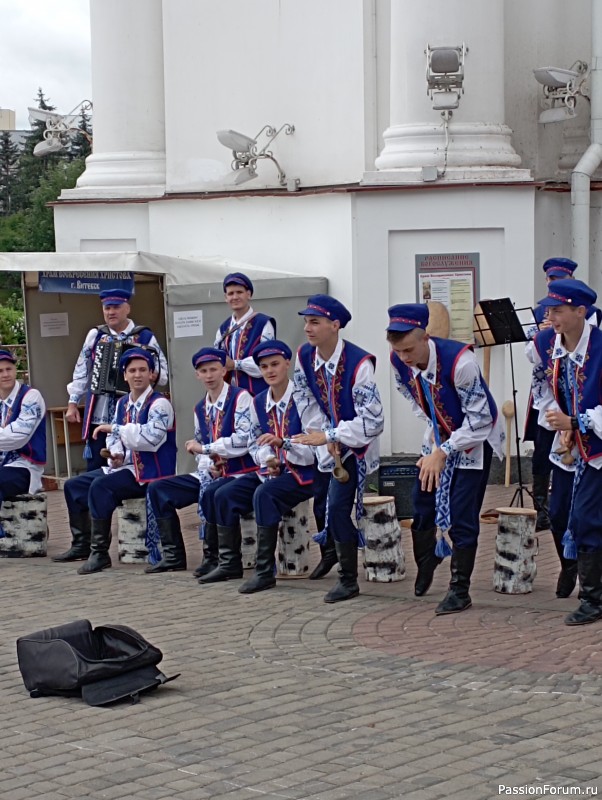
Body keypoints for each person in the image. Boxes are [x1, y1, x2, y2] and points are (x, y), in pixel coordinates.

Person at [387, 303, 503, 615]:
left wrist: (445, 450)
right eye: (399, 352)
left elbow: (481, 421)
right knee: (421, 501)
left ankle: (459, 590)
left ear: (426, 338)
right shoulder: (398, 362)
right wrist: (436, 436)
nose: (405, 358)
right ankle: (428, 560)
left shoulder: (461, 363)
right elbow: (414, 399)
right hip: (439, 436)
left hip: (474, 440)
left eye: (410, 349)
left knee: (462, 514)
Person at [292, 294, 384, 604]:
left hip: (355, 445)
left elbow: (373, 422)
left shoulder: (360, 364)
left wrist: (333, 435)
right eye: (306, 321)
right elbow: (304, 400)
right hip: (324, 442)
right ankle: (332, 555)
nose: (308, 328)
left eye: (314, 322)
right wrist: (320, 434)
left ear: (335, 325)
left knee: (338, 508)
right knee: (323, 503)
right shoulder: (304, 356)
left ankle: (349, 579)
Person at [208, 340, 315, 594]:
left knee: (264, 494)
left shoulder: (303, 399)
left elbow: (313, 446)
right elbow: (255, 442)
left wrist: (285, 445)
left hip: (304, 472)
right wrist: (268, 459)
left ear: (287, 364)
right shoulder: (258, 402)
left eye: (275, 364)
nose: (270, 371)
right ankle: (229, 562)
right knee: (224, 494)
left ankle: (265, 571)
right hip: (272, 471)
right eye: (264, 366)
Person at [58, 348, 176, 574]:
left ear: (152, 374)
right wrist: (116, 453)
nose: (137, 375)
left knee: (101, 487)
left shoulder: (159, 404)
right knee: (74, 485)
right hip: (126, 467)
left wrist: (117, 429)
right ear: (124, 375)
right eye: (132, 370)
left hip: (151, 472)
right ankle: (82, 544)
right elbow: (113, 437)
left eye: (143, 370)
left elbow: (151, 439)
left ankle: (99, 553)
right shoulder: (123, 403)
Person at [526, 279, 602, 625]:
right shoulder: (547, 345)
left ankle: (592, 598)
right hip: (569, 446)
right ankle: (573, 572)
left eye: (557, 310)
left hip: (598, 449)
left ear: (581, 312)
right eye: (549, 309)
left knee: (586, 517)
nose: (549, 315)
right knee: (558, 513)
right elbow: (542, 389)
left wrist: (577, 421)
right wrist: (556, 420)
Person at [144, 347, 256, 577]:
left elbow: (245, 439)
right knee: (158, 489)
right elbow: (200, 443)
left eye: (213, 369)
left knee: (214, 492)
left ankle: (215, 557)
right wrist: (207, 462)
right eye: (203, 371)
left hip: (241, 472)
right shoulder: (200, 407)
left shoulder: (241, 397)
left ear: (224, 370)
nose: (209, 375)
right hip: (212, 474)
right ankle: (173, 556)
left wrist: (206, 449)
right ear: (197, 375)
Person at [65, 288, 168, 473]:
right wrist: (73, 402)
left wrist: (151, 374)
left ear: (127, 308)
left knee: (129, 461)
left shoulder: (144, 336)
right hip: (100, 409)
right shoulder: (96, 335)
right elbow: (81, 369)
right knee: (97, 461)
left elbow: (163, 373)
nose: (111, 312)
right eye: (107, 308)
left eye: (116, 307)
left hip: (132, 411)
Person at [0, 349, 46, 518]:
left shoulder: (31, 396)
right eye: (0, 371)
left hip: (24, 466)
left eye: (9, 369)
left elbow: (18, 437)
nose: (5, 374)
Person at [214, 272, 276, 396]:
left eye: (239, 292)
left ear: (249, 294)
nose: (235, 297)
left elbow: (267, 363)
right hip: (231, 397)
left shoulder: (263, 323)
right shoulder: (223, 329)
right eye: (231, 293)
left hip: (259, 394)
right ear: (225, 297)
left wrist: (235, 364)